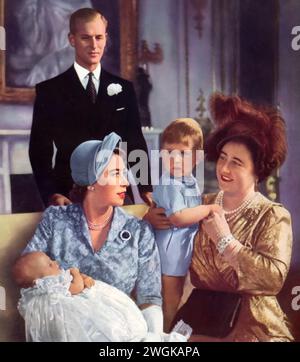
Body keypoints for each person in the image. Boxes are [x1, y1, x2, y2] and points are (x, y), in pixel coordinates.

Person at [23, 132, 165, 341]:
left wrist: (154, 341)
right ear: (91, 180)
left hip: (120, 337)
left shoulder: (139, 231)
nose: (125, 181)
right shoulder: (56, 220)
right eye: (116, 173)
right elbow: (28, 274)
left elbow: (150, 298)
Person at [177, 93, 294, 342]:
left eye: (237, 162)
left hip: (252, 325)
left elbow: (273, 279)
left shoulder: (273, 216)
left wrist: (226, 241)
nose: (224, 168)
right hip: (200, 319)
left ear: (257, 171)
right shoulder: (199, 204)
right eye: (223, 158)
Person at [29, 7, 152, 208]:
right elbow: (38, 151)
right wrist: (52, 194)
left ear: (106, 38)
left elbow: (135, 141)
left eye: (99, 37)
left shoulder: (125, 89)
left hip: (114, 190)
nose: (94, 45)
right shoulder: (49, 91)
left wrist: (146, 188)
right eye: (86, 38)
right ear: (72, 39)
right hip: (67, 193)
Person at [13, 251, 188, 342]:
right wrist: (76, 273)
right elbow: (76, 287)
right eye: (51, 264)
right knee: (107, 330)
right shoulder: (51, 286)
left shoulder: (35, 295)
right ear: (39, 279)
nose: (56, 263)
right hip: (79, 317)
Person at [152, 118, 222, 331]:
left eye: (182, 153)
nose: (175, 159)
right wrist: (208, 209)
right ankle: (164, 336)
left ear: (197, 158)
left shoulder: (189, 180)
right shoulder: (169, 183)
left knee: (185, 296)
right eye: (168, 152)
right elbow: (179, 217)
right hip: (170, 250)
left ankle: (178, 331)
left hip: (185, 246)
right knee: (170, 299)